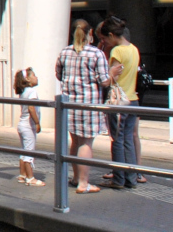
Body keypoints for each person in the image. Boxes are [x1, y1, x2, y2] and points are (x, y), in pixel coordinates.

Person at [55, 18, 121, 193]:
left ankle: (76, 177)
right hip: (88, 104)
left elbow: (59, 75)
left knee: (75, 141)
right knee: (86, 142)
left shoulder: (64, 52)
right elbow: (104, 81)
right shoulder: (95, 54)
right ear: (90, 33)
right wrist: (112, 73)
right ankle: (84, 183)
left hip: (69, 103)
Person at [97, 16, 140, 189]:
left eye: (105, 38)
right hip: (133, 100)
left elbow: (111, 78)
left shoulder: (117, 52)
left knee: (117, 140)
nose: (105, 42)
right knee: (128, 139)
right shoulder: (134, 49)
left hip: (118, 101)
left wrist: (107, 70)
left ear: (111, 35)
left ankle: (119, 179)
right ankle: (131, 178)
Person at [13, 67, 44, 186]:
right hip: (28, 125)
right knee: (29, 152)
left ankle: (22, 175)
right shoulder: (32, 92)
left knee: (24, 150)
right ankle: (31, 178)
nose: (37, 77)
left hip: (21, 124)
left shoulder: (23, 92)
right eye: (34, 75)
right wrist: (37, 123)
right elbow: (31, 107)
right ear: (27, 79)